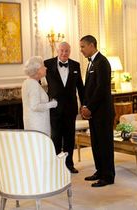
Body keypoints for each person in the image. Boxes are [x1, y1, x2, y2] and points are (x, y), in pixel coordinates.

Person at [80, 35, 115, 187]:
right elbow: (89, 88)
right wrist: (84, 105)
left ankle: (108, 176)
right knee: (96, 143)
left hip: (103, 112)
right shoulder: (91, 63)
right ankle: (99, 171)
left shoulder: (102, 62)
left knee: (104, 144)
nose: (81, 50)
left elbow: (101, 89)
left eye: (83, 46)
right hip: (94, 112)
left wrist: (90, 107)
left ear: (92, 45)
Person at [44, 42, 84, 174]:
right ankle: (56, 166)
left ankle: (69, 164)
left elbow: (80, 88)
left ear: (70, 51)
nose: (64, 53)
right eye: (61, 50)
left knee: (69, 137)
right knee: (55, 137)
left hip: (70, 108)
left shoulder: (75, 65)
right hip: (54, 108)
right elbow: (37, 79)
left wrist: (84, 105)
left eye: (67, 51)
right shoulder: (47, 64)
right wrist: (44, 98)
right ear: (57, 51)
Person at [22, 56, 57, 137]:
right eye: (43, 66)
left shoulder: (27, 82)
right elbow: (35, 106)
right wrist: (52, 104)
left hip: (33, 124)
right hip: (38, 126)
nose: (46, 68)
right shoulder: (33, 84)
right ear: (37, 70)